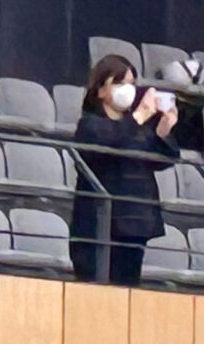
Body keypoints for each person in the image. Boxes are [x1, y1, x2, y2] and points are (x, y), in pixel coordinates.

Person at [69, 52, 179, 286]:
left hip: (135, 223)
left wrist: (163, 131)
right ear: (100, 90)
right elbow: (107, 143)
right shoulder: (90, 124)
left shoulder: (140, 127)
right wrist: (139, 115)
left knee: (128, 288)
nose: (128, 89)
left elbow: (165, 159)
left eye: (131, 83)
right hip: (98, 226)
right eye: (119, 83)